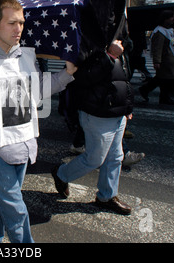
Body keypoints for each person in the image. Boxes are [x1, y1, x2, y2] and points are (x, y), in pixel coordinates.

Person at [0, 0, 76, 243]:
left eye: (21, 22)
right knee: (16, 209)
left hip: (24, 144)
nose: (19, 28)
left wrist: (67, 74)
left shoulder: (27, 57)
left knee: (3, 204)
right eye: (12, 23)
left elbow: (39, 89)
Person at [51, 38, 134, 216]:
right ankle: (61, 174)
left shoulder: (115, 40)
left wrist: (127, 106)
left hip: (117, 112)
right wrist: (110, 55)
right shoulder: (84, 41)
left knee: (115, 157)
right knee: (95, 159)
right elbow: (82, 77)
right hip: (97, 112)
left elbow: (122, 77)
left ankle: (107, 197)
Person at [139, 10, 174, 105]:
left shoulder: (168, 30)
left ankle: (146, 90)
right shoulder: (160, 32)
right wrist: (157, 61)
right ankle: (163, 97)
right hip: (165, 60)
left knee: (161, 79)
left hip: (170, 58)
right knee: (165, 79)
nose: (173, 19)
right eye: (171, 17)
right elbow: (157, 48)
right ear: (165, 19)